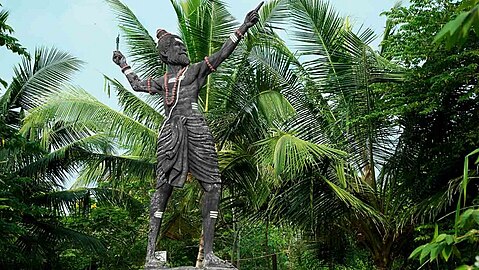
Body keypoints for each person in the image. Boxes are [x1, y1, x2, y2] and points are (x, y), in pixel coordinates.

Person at [112, 2, 263, 268]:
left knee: (213, 185)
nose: (183, 49)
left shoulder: (194, 71)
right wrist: (123, 64)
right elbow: (136, 85)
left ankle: (209, 255)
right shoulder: (162, 81)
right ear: (166, 54)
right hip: (171, 133)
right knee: (163, 188)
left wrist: (243, 28)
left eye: (183, 46)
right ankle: (150, 255)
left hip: (196, 127)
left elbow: (221, 55)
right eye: (178, 47)